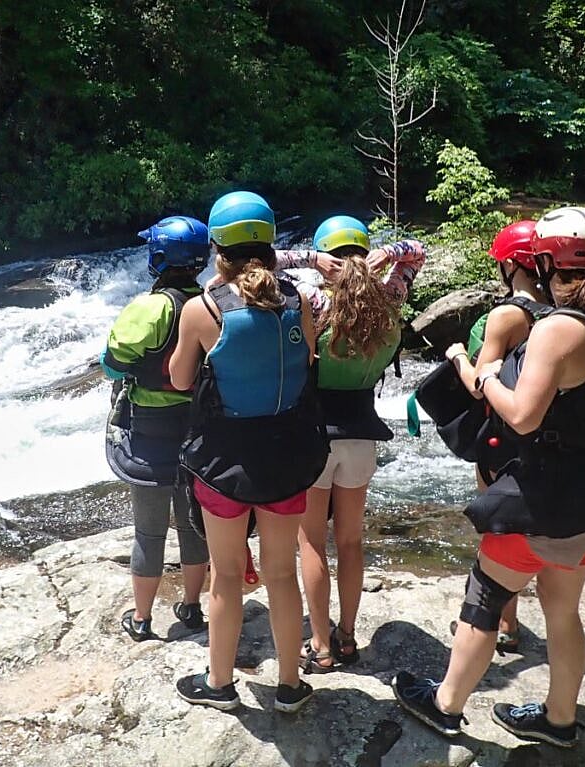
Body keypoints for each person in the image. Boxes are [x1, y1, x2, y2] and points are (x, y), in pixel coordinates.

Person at [392, 206, 585, 748]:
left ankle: (445, 706)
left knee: (484, 597)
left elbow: (522, 415)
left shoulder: (558, 327)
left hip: (543, 492)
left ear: (544, 258)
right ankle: (559, 721)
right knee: (562, 611)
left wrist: (484, 376)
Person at [171, 191, 329, 713]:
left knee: (227, 576)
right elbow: (306, 359)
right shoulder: (298, 300)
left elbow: (179, 379)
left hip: (222, 463)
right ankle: (290, 685)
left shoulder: (202, 308)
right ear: (269, 245)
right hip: (285, 456)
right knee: (282, 575)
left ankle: (220, 685)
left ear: (219, 250)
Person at [273, 216, 426, 671]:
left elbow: (261, 264)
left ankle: (319, 645)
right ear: (365, 253)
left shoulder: (313, 299)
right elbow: (418, 251)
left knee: (312, 544)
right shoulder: (390, 298)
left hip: (314, 438)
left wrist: (310, 259)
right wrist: (391, 254)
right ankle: (347, 637)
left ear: (326, 259)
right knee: (352, 543)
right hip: (362, 437)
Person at [443, 220, 551, 653]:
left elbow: (479, 382)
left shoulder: (509, 314)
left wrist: (455, 358)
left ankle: (501, 622)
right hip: (544, 434)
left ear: (511, 266)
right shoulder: (559, 307)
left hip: (502, 436)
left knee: (500, 526)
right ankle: (510, 618)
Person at [101, 216, 211, 642]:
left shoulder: (147, 309)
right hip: (199, 437)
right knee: (192, 527)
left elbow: (112, 362)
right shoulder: (212, 305)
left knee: (149, 532)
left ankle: (143, 619)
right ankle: (192, 607)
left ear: (159, 258)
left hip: (148, 436)